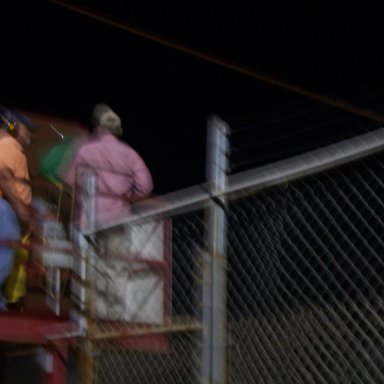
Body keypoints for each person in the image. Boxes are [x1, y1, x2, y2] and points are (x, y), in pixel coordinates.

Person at [65, 103, 153, 229]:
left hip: (89, 218)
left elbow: (69, 181)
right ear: (118, 130)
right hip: (118, 218)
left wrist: (79, 197)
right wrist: (130, 197)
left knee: (87, 249)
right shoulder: (131, 154)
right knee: (116, 249)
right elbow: (145, 186)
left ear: (99, 128)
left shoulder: (85, 150)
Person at [0, 109, 35, 310]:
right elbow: (3, 174)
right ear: (13, 126)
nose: (30, 134)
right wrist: (21, 209)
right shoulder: (10, 145)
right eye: (27, 129)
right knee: (3, 261)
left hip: (8, 209)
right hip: (7, 210)